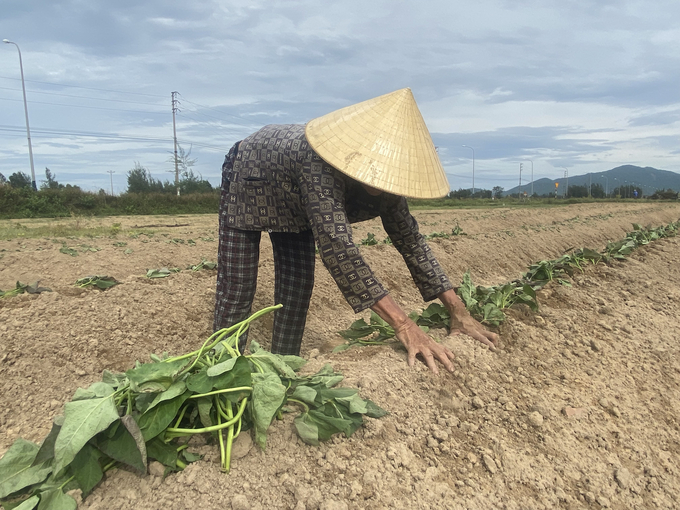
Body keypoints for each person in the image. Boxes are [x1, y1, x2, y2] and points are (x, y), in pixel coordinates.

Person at [214, 88, 499, 374]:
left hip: (295, 196)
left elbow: (411, 241)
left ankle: (280, 369)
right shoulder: (319, 165)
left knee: (297, 285)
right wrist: (404, 325)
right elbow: (339, 250)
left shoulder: (390, 186)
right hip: (251, 172)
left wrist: (457, 310)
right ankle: (221, 370)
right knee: (238, 284)